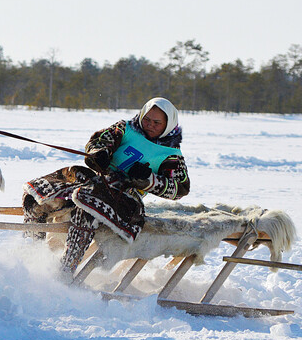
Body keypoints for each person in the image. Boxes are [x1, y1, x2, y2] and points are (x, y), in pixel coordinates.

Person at [22, 97, 190, 278]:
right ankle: (30, 257)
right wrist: (99, 154)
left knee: (86, 209)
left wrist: (148, 179)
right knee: (36, 197)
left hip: (125, 196)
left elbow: (180, 188)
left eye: (157, 122)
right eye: (147, 119)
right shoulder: (125, 128)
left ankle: (65, 270)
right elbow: (98, 142)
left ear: (168, 124)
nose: (149, 125)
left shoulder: (171, 154)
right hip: (96, 180)